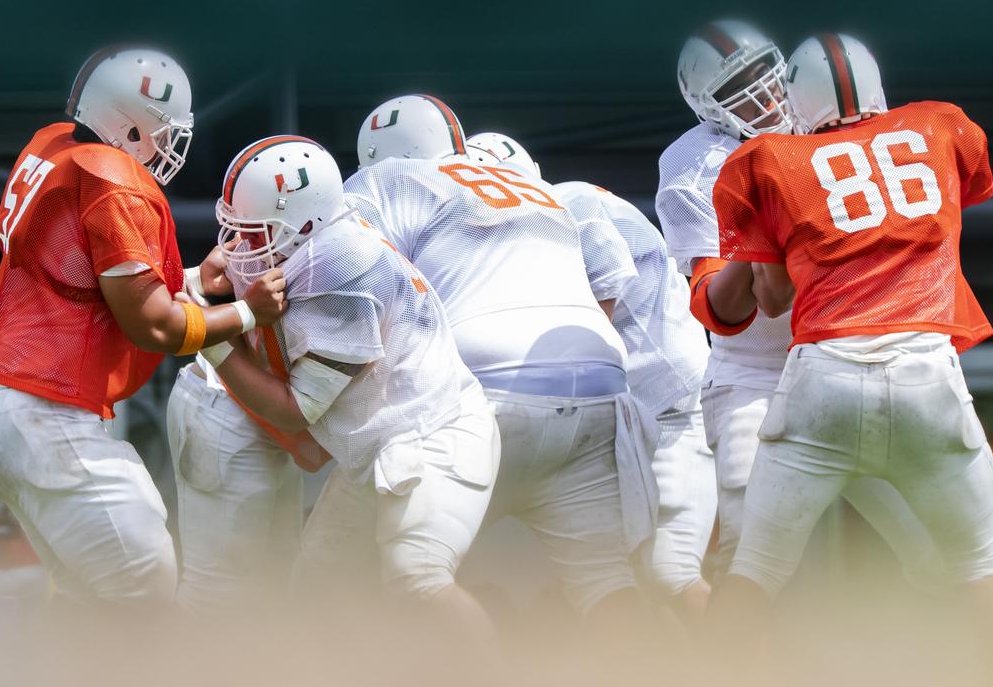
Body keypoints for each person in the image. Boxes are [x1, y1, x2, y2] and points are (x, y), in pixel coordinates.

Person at [707, 32, 993, 654]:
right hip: (927, 366)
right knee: (980, 566)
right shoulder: (941, 124)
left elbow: (772, 298)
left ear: (798, 98)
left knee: (755, 571)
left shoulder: (768, 160)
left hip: (825, 372)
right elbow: (964, 189)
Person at [0, 46, 286, 607]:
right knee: (144, 582)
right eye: (164, 130)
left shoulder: (55, 146)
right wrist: (250, 310)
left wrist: (192, 280)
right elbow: (154, 328)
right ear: (130, 124)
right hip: (46, 413)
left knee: (88, 594)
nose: (168, 145)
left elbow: (81, 279)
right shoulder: (112, 177)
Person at [344, 96, 648, 628]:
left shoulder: (392, 179)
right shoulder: (540, 191)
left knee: (408, 576)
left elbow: (346, 263)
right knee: (607, 582)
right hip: (601, 393)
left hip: (490, 397)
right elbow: (604, 287)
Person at [657, 20, 942, 585]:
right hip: (756, 374)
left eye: (766, 72)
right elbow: (727, 312)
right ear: (709, 108)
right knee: (750, 550)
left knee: (931, 539)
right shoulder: (692, 165)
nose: (765, 95)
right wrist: (762, 220)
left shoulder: (832, 124)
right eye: (741, 85)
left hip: (852, 357)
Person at [200, 135, 500, 643]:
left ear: (303, 226)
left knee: (418, 581)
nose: (237, 247)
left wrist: (209, 335)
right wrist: (221, 275)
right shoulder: (320, 234)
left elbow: (294, 412)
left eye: (253, 234)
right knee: (318, 591)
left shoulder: (342, 270)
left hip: (433, 438)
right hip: (380, 447)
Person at [467, 131, 716, 627]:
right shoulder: (551, 211)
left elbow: (598, 312)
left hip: (664, 407)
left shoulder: (570, 201)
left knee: (667, 570)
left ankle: (761, 666)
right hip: (624, 412)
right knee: (621, 575)